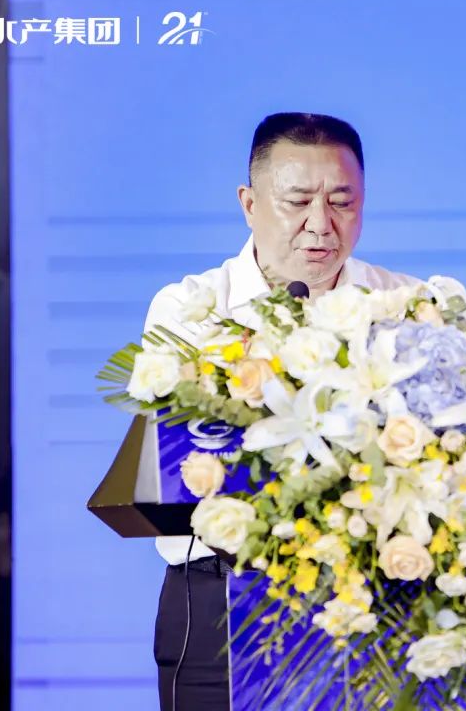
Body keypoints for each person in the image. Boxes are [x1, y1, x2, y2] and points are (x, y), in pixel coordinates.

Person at [144, 112, 420, 711]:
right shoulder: (191, 310)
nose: (320, 224)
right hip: (221, 603)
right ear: (249, 204)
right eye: (296, 201)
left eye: (342, 202)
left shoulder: (407, 305)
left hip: (375, 600)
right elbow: (189, 464)